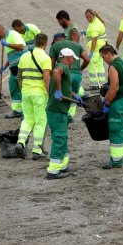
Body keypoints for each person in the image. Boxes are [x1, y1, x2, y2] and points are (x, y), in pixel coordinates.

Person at [46, 48, 83, 179]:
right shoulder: (63, 67)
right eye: (73, 58)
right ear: (68, 58)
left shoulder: (61, 66)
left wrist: (74, 95)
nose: (73, 61)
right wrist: (57, 90)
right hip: (57, 110)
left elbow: (65, 87)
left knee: (62, 138)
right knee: (60, 139)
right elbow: (56, 72)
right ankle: (53, 171)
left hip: (58, 110)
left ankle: (62, 166)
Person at [100, 44, 123, 168]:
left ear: (108, 54)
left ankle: (116, 161)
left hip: (122, 101)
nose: (103, 60)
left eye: (103, 57)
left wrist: (107, 102)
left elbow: (114, 87)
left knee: (116, 130)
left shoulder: (113, 66)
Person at [15, 33, 52, 160]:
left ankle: (21, 142)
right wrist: (50, 94)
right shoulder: (45, 58)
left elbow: (18, 76)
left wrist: (23, 89)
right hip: (39, 94)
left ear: (35, 42)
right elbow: (46, 79)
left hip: (26, 93)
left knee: (27, 119)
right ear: (45, 44)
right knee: (40, 122)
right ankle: (37, 150)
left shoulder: (24, 56)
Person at [50, 33, 90, 122]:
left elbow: (51, 66)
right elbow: (87, 59)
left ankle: (66, 115)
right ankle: (70, 116)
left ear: (56, 40)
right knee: (72, 97)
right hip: (77, 74)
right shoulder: (76, 44)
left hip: (63, 73)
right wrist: (80, 69)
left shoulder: (54, 46)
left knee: (63, 94)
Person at [0, 24, 28, 118]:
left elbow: (21, 47)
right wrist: (4, 67)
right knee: (13, 88)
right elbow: (12, 56)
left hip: (23, 66)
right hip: (14, 68)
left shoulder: (13, 34)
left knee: (24, 90)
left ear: (1, 30)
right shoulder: (6, 39)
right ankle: (17, 111)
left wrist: (7, 44)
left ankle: (27, 112)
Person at [84, 9, 107, 90]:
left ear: (93, 15)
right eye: (87, 17)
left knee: (93, 67)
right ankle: (101, 84)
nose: (88, 19)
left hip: (96, 50)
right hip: (100, 49)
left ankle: (94, 86)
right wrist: (86, 33)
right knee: (99, 66)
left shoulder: (95, 25)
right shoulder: (95, 22)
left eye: (90, 17)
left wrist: (92, 52)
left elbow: (94, 39)